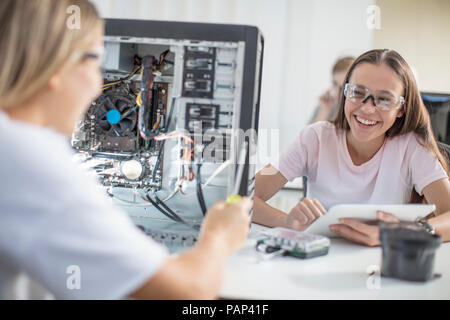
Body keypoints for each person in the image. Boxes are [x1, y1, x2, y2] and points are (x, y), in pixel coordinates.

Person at [0, 0, 251, 300]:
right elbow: (188, 292)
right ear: (54, 63)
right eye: (94, 61)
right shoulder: (30, 162)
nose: (97, 86)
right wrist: (219, 236)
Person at [253, 49, 450, 246]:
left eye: (384, 99)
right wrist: (285, 221)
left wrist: (401, 232)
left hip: (383, 269)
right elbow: (244, 196)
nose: (367, 108)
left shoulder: (412, 147)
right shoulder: (314, 138)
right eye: (357, 93)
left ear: (402, 109)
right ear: (345, 93)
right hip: (318, 261)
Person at [310, 56, 355, 123]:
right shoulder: (326, 105)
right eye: (335, 84)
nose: (338, 91)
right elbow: (310, 132)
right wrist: (324, 111)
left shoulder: (357, 108)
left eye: (344, 85)